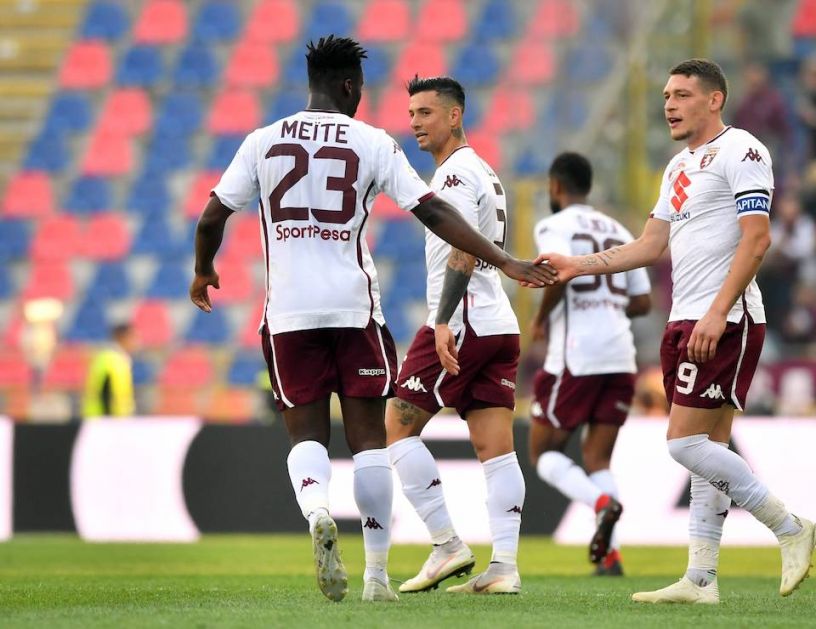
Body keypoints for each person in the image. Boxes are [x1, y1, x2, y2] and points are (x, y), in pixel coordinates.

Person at [190, 38, 554, 604]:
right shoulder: (373, 142)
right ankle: (378, 577)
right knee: (373, 444)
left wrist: (202, 270)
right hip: (358, 310)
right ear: (351, 87)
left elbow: (213, 214)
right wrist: (505, 259)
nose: (410, 121)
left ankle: (320, 512)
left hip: (289, 313)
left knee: (312, 433)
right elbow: (431, 210)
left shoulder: (262, 140)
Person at [535, 59, 816, 605]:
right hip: (684, 319)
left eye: (683, 94)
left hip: (725, 319)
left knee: (684, 444)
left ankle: (789, 527)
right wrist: (579, 266)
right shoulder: (677, 167)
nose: (669, 103)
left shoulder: (744, 150)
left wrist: (718, 311)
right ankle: (702, 578)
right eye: (666, 94)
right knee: (707, 449)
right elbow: (649, 246)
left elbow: (756, 240)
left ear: (714, 100)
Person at [384, 76, 525, 596]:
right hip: (498, 323)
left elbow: (462, 251)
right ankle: (504, 567)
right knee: (496, 450)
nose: (415, 122)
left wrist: (442, 319)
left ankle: (446, 544)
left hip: (463, 319)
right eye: (412, 113)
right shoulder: (483, 170)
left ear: (455, 115)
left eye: (425, 113)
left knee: (396, 429)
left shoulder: (455, 177)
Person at [528, 152, 651, 577]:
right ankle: (611, 556)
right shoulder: (619, 228)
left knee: (543, 451)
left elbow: (557, 275)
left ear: (555, 187)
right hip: (621, 355)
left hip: (577, 354)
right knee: (597, 458)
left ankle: (600, 504)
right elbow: (643, 300)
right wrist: (609, 306)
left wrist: (541, 319)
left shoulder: (553, 225)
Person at [81, 323, 136, 419]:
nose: (136, 342)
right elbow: (106, 393)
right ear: (122, 337)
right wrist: (109, 420)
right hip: (105, 420)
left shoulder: (115, 358)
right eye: (133, 337)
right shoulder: (111, 360)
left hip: (110, 420)